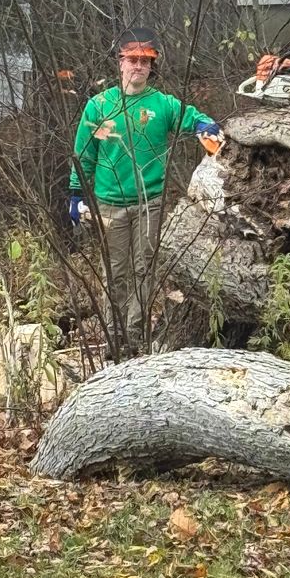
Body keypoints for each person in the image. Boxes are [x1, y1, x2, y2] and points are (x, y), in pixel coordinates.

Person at [69, 27, 222, 358]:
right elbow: (84, 154)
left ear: (152, 66)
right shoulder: (99, 106)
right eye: (132, 59)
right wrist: (76, 193)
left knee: (144, 269)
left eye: (145, 61)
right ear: (120, 62)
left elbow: (192, 118)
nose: (138, 66)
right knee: (115, 272)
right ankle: (114, 338)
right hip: (109, 204)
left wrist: (204, 125)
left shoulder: (162, 104)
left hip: (149, 202)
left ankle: (135, 338)